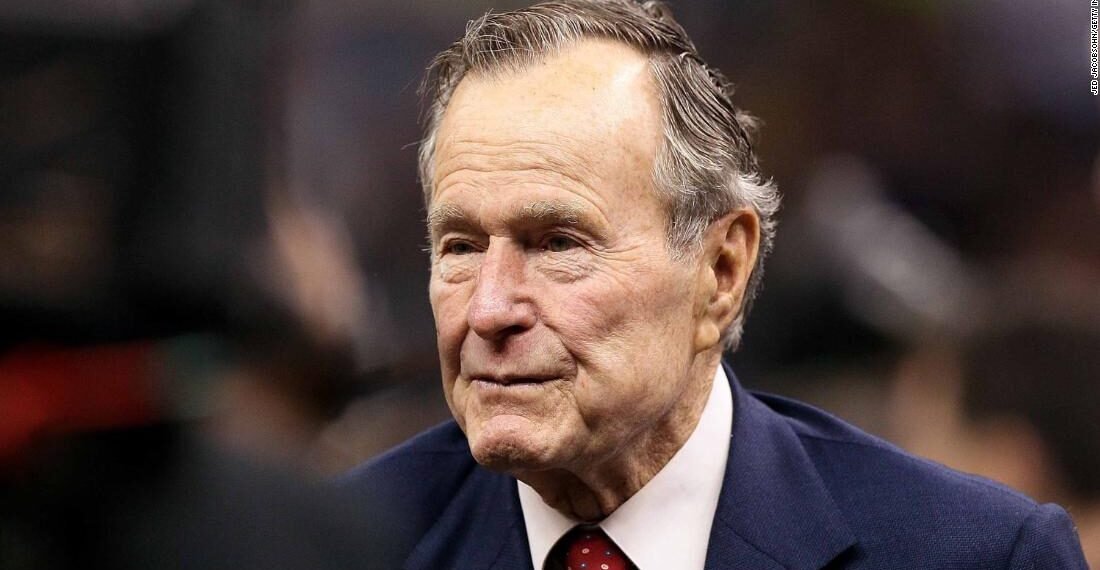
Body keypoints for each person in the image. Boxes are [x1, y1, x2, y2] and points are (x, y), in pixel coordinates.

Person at [341, 1, 1088, 568]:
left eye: (558, 243)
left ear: (721, 270)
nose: (489, 307)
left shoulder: (977, 555)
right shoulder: (330, 542)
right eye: (462, 246)